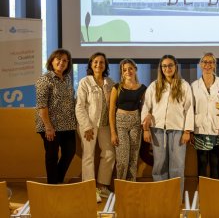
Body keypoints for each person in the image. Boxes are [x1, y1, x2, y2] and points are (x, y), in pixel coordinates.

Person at [142, 55, 194, 193]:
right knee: (159, 165)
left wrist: (187, 131)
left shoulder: (184, 85)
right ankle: (160, 195)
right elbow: (146, 108)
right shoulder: (154, 86)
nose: (167, 68)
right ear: (161, 68)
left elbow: (189, 109)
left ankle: (175, 196)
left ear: (175, 66)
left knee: (177, 165)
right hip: (158, 131)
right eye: (164, 66)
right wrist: (146, 130)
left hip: (178, 131)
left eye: (170, 65)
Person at [75, 52, 115, 203]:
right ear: (91, 65)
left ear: (105, 65)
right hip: (89, 125)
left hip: (105, 125)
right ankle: (89, 189)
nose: (99, 65)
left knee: (110, 154)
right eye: (96, 62)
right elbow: (79, 106)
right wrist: (86, 126)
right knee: (89, 155)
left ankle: (102, 186)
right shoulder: (85, 82)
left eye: (102, 62)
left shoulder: (110, 82)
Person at [35, 48, 77, 184]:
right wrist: (48, 126)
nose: (61, 62)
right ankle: (53, 185)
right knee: (52, 156)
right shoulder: (44, 79)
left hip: (68, 125)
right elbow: (42, 105)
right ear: (52, 61)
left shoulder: (67, 79)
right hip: (50, 126)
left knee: (70, 152)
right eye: (58, 59)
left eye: (65, 60)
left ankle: (56, 181)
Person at [109, 59, 147, 181]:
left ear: (135, 69)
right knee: (122, 160)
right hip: (120, 123)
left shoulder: (142, 88)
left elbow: (144, 109)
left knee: (133, 159)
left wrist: (144, 127)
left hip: (136, 123)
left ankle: (131, 187)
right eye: (124, 69)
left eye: (130, 68)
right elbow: (111, 111)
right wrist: (113, 132)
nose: (128, 71)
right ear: (121, 72)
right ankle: (120, 187)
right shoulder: (117, 87)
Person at [191, 52, 219, 179]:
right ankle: (203, 194)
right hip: (200, 129)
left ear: (215, 65)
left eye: (211, 62)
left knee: (215, 163)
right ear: (200, 65)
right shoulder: (194, 85)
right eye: (205, 62)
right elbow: (191, 109)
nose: (208, 65)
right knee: (202, 163)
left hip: (217, 128)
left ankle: (214, 195)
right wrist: (189, 130)